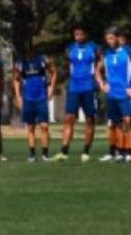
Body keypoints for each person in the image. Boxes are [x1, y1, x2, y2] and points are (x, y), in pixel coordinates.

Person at [52, 26, 99, 163]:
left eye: (80, 34)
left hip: (89, 87)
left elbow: (101, 60)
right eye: (75, 34)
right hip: (74, 87)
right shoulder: (70, 49)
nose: (77, 36)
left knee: (90, 119)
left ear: (85, 35)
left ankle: (86, 150)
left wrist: (97, 74)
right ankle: (64, 151)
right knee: (68, 118)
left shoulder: (94, 48)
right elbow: (69, 63)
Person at [98, 27, 131, 163]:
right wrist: (102, 84)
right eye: (107, 39)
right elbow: (97, 70)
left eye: (111, 38)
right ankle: (120, 152)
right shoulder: (106, 54)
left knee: (128, 121)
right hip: (112, 94)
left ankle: (130, 152)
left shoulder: (129, 52)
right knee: (116, 124)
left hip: (125, 94)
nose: (109, 41)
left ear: (118, 37)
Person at [13, 47, 56, 162]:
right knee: (30, 127)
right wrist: (18, 96)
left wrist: (51, 89)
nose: (29, 52)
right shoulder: (20, 63)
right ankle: (32, 154)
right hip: (28, 99)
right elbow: (16, 79)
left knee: (44, 127)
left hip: (41, 98)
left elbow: (54, 72)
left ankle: (45, 154)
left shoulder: (42, 60)